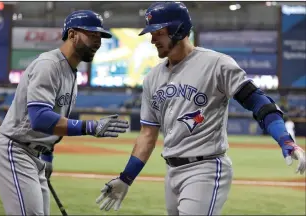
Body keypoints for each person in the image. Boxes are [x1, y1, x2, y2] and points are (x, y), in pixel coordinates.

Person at [95, 2, 306, 215]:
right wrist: (126, 178)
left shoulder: (217, 64)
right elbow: (148, 134)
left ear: (178, 29)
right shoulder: (152, 78)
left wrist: (285, 139)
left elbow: (259, 102)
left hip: (205, 169)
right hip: (171, 171)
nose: (152, 40)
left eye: (157, 32)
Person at [0, 10, 129, 216]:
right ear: (72, 34)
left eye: (100, 37)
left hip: (36, 155)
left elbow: (52, 123)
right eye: (92, 35)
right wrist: (90, 127)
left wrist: (48, 155)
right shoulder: (49, 65)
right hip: (16, 149)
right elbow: (40, 118)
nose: (97, 42)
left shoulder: (71, 73)